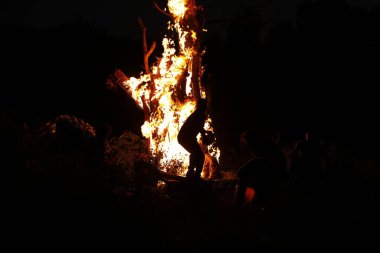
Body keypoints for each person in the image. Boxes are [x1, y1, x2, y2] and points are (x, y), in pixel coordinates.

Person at [178, 98, 208, 180]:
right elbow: (199, 126)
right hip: (186, 137)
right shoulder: (200, 115)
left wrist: (205, 132)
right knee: (200, 156)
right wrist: (205, 136)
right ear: (204, 106)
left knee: (195, 153)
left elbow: (199, 127)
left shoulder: (197, 113)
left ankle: (190, 173)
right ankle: (196, 175)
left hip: (185, 137)